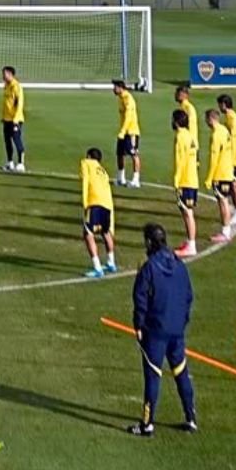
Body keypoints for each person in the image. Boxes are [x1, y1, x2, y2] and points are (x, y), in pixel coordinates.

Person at [128, 223, 198, 437]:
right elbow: (188, 296)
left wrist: (138, 325)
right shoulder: (179, 265)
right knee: (181, 372)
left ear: (149, 242)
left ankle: (148, 424)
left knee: (153, 375)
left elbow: (140, 298)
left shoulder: (149, 268)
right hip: (176, 330)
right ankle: (191, 417)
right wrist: (182, 321)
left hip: (155, 331)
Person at [79, 148, 118, 278]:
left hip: (94, 202)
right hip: (106, 204)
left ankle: (97, 268)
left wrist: (85, 203)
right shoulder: (103, 171)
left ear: (89, 156)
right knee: (105, 232)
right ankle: (111, 262)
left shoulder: (86, 163)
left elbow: (85, 181)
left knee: (88, 234)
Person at [204, 109, 236, 243]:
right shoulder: (224, 130)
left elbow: (214, 158)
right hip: (227, 171)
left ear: (210, 119)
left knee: (222, 202)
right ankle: (226, 230)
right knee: (224, 201)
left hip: (220, 174)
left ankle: (225, 232)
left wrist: (209, 178)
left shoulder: (216, 135)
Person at [172, 109, 200, 257]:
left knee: (187, 212)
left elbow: (180, 160)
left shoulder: (180, 137)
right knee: (187, 211)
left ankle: (192, 245)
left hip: (185, 180)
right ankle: (190, 242)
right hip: (192, 178)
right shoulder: (190, 135)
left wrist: (177, 180)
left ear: (176, 122)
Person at [217, 94, 236, 227]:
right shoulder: (229, 118)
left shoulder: (232, 119)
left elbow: (232, 140)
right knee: (234, 186)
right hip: (232, 158)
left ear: (223, 104)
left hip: (235, 158)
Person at [113, 79, 142, 188]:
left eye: (115, 87)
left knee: (134, 154)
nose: (114, 89)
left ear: (121, 87)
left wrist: (123, 131)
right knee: (120, 154)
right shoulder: (121, 99)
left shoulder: (128, 99)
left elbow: (128, 117)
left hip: (131, 132)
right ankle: (121, 178)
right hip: (124, 132)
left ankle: (136, 180)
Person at [0, 66, 25, 172]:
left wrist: (16, 119)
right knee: (7, 142)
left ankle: (20, 164)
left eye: (4, 73)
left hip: (15, 120)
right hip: (6, 119)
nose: (3, 76)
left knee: (17, 141)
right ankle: (10, 162)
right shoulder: (6, 86)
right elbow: (7, 104)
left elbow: (19, 104)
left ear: (10, 74)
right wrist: (3, 117)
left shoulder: (16, 86)